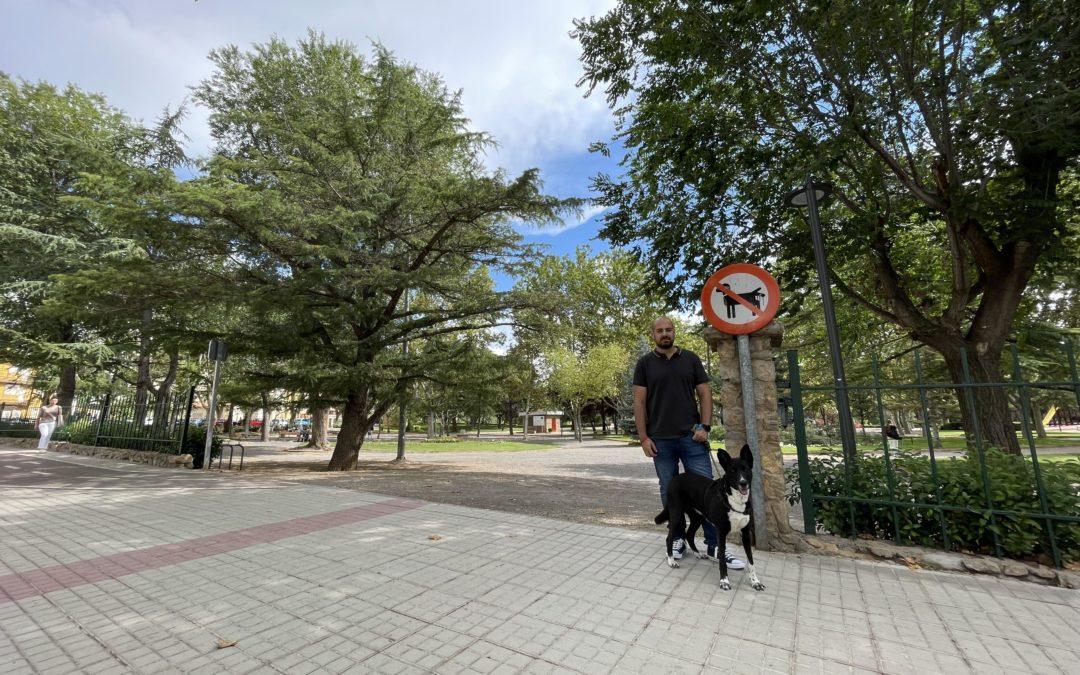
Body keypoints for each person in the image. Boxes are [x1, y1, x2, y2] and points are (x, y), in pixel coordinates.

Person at [633, 316, 744, 569]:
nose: (665, 334)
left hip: (692, 439)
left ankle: (716, 546)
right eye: (659, 330)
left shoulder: (691, 359)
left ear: (674, 331)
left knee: (711, 493)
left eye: (668, 329)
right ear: (653, 334)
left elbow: (705, 393)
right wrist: (643, 437)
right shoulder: (645, 364)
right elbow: (639, 402)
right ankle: (678, 539)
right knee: (668, 491)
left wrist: (704, 427)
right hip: (660, 441)